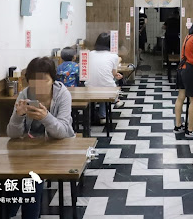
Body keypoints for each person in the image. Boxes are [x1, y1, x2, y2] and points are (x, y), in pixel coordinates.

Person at [7, 56, 75, 219]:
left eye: (44, 80)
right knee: (14, 179)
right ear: (28, 80)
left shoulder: (62, 95)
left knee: (31, 179)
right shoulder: (24, 94)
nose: (38, 85)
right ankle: (8, 212)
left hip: (59, 149)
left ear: (53, 79)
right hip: (30, 149)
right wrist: (18, 115)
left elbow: (63, 132)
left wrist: (46, 117)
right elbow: (12, 134)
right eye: (34, 80)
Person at [87, 33, 124, 124]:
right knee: (108, 83)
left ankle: (102, 115)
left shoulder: (90, 54)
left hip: (89, 86)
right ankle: (116, 100)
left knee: (101, 83)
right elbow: (114, 73)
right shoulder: (113, 56)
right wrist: (116, 75)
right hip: (107, 87)